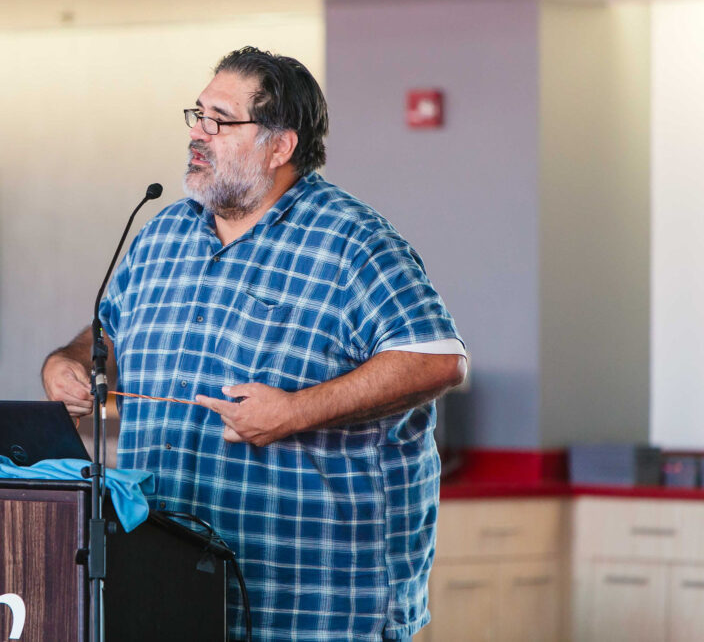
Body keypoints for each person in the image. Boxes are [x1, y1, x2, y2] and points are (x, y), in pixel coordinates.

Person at [42, 46, 467, 642]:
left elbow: (437, 361)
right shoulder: (165, 230)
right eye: (196, 114)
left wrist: (295, 411)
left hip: (313, 601)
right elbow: (107, 328)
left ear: (280, 146)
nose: (198, 132)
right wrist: (73, 363)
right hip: (170, 588)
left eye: (219, 120)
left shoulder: (351, 240)